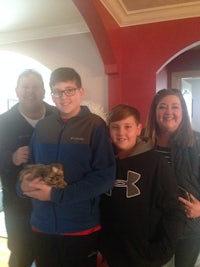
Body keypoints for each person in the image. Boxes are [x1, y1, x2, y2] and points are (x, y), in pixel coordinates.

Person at [19, 67, 116, 267]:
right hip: (42, 225)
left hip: (80, 227)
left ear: (81, 92)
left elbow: (105, 177)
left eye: (69, 90)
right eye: (57, 91)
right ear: (51, 94)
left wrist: (56, 196)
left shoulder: (95, 126)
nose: (64, 97)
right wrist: (22, 186)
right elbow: (30, 167)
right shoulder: (43, 127)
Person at [99, 104, 184, 267]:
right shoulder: (104, 161)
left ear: (138, 129)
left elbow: (174, 210)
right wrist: (102, 246)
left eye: (128, 127)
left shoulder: (156, 163)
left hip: (147, 255)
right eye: (115, 127)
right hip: (112, 254)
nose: (121, 132)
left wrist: (162, 251)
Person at [0, 69, 57, 267]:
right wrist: (11, 158)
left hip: (52, 203)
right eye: (25, 87)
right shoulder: (3, 122)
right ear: (17, 90)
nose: (30, 92)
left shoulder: (57, 116)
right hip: (18, 206)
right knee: (21, 255)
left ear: (44, 91)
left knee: (50, 254)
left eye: (35, 87)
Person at [144, 88, 200, 267]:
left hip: (189, 227)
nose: (169, 112)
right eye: (162, 107)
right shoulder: (142, 145)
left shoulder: (198, 143)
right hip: (153, 227)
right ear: (155, 112)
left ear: (183, 111)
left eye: (175, 107)